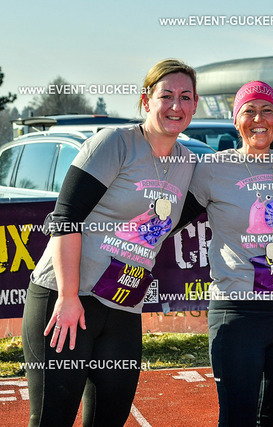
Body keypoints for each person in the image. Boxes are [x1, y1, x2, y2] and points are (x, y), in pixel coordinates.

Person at [22, 59, 199, 426]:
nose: (176, 105)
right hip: (66, 299)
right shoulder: (115, 143)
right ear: (146, 100)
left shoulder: (189, 163)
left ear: (195, 104)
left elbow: (234, 174)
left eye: (185, 97)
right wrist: (68, 297)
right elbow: (66, 217)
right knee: (51, 419)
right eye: (166, 95)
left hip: (122, 306)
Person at [179, 81, 273, 426]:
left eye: (267, 110)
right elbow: (170, 219)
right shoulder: (212, 168)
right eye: (249, 111)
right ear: (236, 120)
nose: (258, 119)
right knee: (237, 417)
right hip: (238, 310)